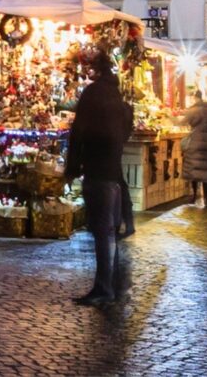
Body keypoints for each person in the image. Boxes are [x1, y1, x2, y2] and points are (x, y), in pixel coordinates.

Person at [64, 50, 133, 307]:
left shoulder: (93, 94)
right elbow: (127, 124)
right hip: (114, 170)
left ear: (97, 69)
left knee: (101, 231)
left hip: (96, 168)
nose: (87, 72)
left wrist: (72, 167)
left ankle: (104, 287)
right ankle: (110, 283)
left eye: (89, 67)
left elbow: (78, 131)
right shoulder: (116, 95)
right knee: (109, 232)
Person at [181, 95, 207, 209]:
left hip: (196, 142)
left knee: (194, 171)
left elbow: (183, 122)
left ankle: (194, 195)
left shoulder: (193, 111)